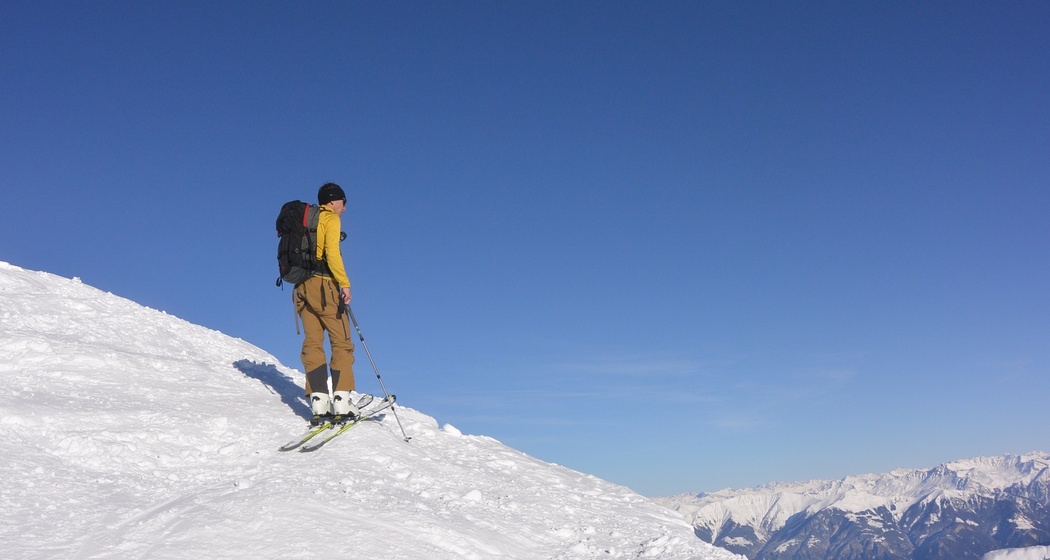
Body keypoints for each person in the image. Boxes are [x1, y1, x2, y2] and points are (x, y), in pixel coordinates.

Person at [294, 182, 358, 425]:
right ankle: (342, 400)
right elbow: (332, 253)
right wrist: (344, 283)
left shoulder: (305, 221)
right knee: (341, 341)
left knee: (312, 342)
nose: (345, 208)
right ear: (334, 200)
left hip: (301, 288)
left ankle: (319, 402)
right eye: (344, 202)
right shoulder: (330, 219)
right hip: (324, 285)